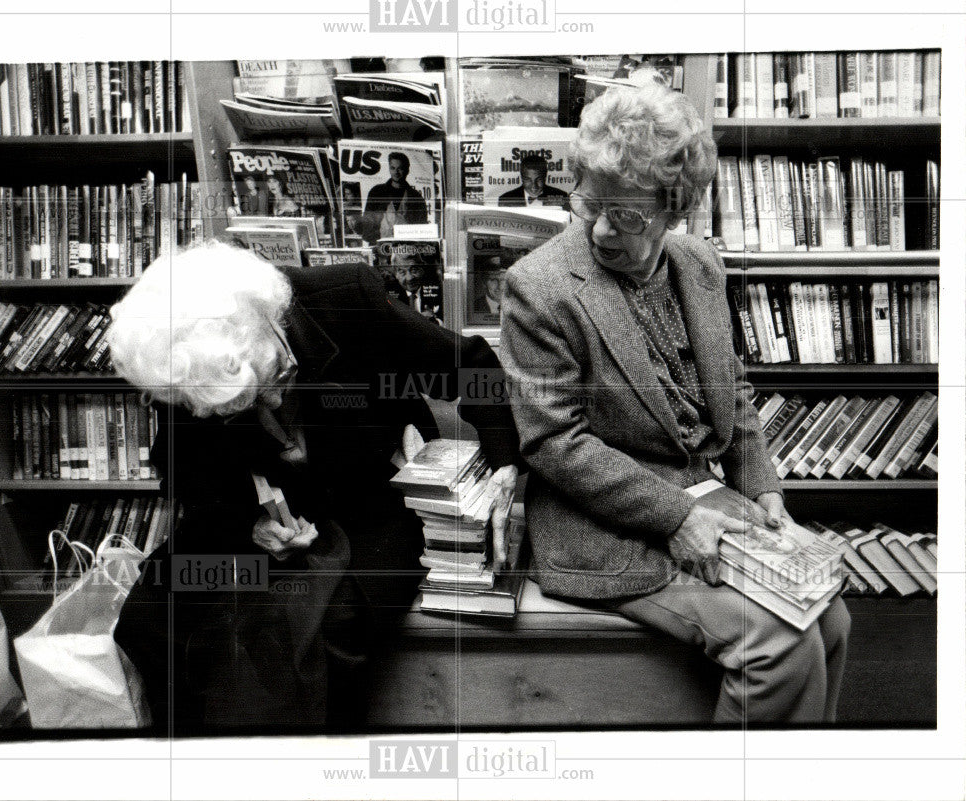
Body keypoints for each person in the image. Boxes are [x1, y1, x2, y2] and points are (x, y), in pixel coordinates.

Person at [499, 82, 850, 724]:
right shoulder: (538, 289)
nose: (602, 229)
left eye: (627, 215)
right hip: (603, 523)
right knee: (778, 644)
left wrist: (763, 488)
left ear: (672, 208)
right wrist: (673, 518)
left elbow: (731, 389)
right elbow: (553, 442)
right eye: (589, 204)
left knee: (830, 616)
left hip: (705, 496)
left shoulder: (698, 262)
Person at [106, 242, 519, 735]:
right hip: (260, 509)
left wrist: (503, 465)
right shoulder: (180, 361)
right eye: (242, 407)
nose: (274, 403)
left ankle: (312, 768)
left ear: (270, 326)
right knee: (153, 615)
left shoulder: (348, 299)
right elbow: (181, 467)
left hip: (371, 496)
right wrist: (251, 525)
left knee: (327, 626)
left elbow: (472, 367)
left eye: (277, 377)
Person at [361, 152, 430, 243]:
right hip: (380, 247)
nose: (396, 172)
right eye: (392, 168)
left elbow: (422, 229)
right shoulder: (376, 192)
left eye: (400, 168)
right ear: (389, 169)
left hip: (406, 248)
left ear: (407, 170)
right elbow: (367, 224)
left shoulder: (416, 197)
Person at [498, 153, 569, 209]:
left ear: (545, 177)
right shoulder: (505, 200)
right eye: (528, 180)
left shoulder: (562, 196)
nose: (534, 186)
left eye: (539, 180)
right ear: (522, 178)